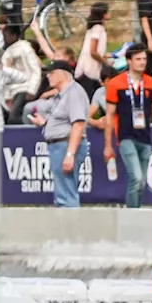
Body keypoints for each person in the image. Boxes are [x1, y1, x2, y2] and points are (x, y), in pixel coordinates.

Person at [104, 45, 152, 208]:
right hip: (125, 136)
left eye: (144, 59)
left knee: (141, 181)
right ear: (129, 61)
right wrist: (108, 145)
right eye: (138, 59)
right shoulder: (116, 83)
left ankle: (135, 212)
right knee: (136, 177)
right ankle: (131, 214)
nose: (142, 62)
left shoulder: (151, 83)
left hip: (145, 136)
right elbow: (109, 115)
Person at [30, 61, 90, 208]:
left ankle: (71, 229)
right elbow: (66, 121)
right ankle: (66, 227)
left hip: (66, 145)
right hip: (61, 145)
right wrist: (45, 123)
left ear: (63, 74)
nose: (48, 76)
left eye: (51, 72)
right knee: (62, 191)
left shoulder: (73, 92)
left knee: (66, 194)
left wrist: (70, 154)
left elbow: (78, 124)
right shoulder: (63, 94)